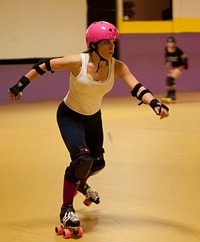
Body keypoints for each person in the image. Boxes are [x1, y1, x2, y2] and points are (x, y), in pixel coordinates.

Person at [8, 21, 169, 229]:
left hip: (93, 118)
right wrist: (20, 85)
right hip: (69, 116)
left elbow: (137, 87)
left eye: (113, 43)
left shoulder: (117, 66)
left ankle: (82, 185)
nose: (112, 47)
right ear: (93, 45)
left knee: (98, 163)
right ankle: (66, 209)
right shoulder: (78, 62)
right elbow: (43, 65)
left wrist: (155, 104)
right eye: (106, 43)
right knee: (82, 159)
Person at [161, 36, 188, 103]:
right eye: (169, 43)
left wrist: (186, 64)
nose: (170, 44)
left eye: (172, 43)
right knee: (168, 81)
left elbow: (185, 56)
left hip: (180, 66)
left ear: (174, 44)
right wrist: (166, 62)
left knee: (170, 79)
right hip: (173, 67)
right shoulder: (166, 49)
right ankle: (169, 95)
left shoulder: (177, 50)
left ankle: (172, 96)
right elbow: (167, 56)